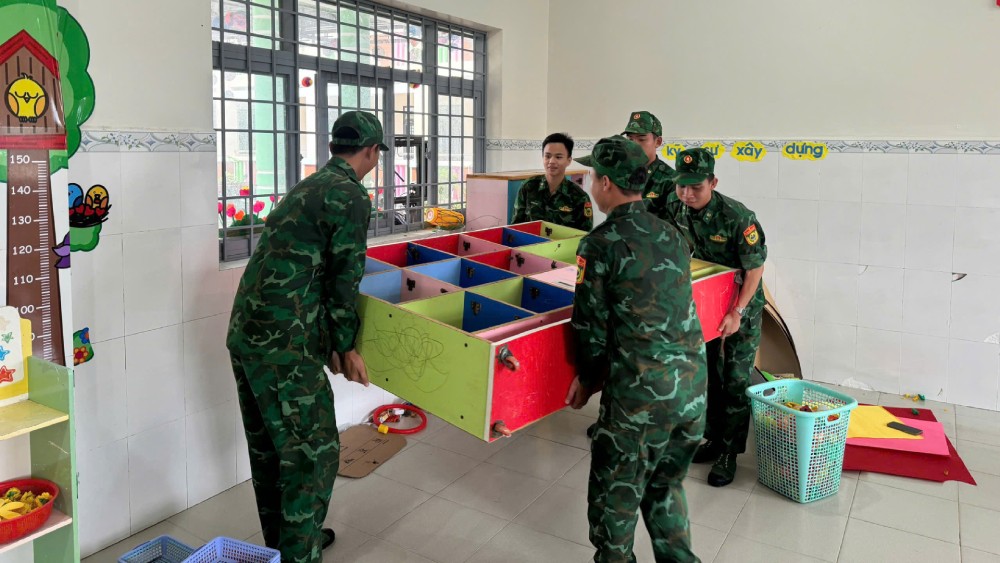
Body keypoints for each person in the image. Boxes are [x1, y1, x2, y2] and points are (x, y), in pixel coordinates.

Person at [226, 110, 386, 562]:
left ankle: (290, 544)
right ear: (371, 151)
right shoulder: (349, 194)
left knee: (271, 450)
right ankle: (300, 554)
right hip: (283, 342)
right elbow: (344, 279)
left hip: (246, 334)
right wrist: (347, 347)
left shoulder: (310, 184)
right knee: (313, 453)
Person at [566, 136, 707, 562]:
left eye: (592, 176)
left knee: (614, 508)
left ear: (605, 182)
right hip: (692, 394)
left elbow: (589, 326)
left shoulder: (601, 244)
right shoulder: (672, 233)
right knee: (665, 489)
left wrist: (588, 380)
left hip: (640, 402)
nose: (591, 183)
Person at [662, 148, 767, 488]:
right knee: (707, 376)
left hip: (741, 309)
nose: (687, 194)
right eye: (682, 186)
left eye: (696, 187)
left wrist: (737, 312)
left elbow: (755, 269)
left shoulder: (738, 217)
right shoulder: (677, 207)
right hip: (706, 307)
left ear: (713, 182)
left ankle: (729, 453)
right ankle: (711, 438)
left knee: (736, 381)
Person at [510, 132, 593, 231]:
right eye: (547, 156)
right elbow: (515, 227)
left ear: (569, 160)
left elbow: (584, 236)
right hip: (531, 245)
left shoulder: (579, 197)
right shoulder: (528, 187)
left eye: (558, 157)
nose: (552, 161)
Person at [622, 110, 675, 218]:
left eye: (641, 139)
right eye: (630, 139)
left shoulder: (670, 181)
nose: (634, 145)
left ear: (658, 142)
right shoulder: (621, 174)